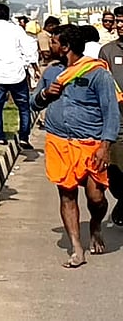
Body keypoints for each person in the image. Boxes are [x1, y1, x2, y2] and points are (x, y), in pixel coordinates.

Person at [32, 26, 120, 268]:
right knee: (67, 194)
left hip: (91, 143)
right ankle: (76, 248)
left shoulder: (97, 74)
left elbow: (111, 112)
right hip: (59, 142)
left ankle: (95, 225)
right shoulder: (52, 73)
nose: (49, 47)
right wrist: (45, 95)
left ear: (66, 47)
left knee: (96, 197)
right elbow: (34, 103)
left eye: (53, 43)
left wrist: (105, 146)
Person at [0, 3, 37, 149]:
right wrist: (27, 64)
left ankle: (0, 137)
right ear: (7, 15)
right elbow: (29, 48)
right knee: (24, 107)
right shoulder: (17, 30)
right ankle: (24, 137)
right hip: (16, 74)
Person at [96, 7, 123, 224]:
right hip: (117, 122)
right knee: (116, 172)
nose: (120, 25)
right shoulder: (107, 51)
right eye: (119, 21)